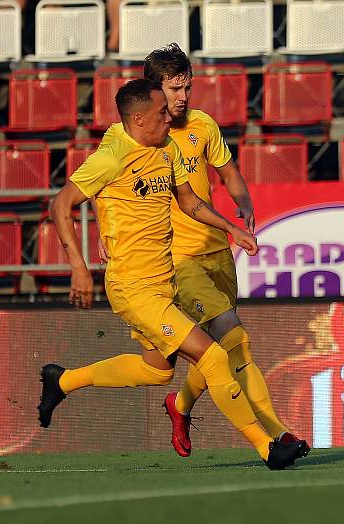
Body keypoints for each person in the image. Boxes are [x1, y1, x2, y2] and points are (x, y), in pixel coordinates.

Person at [38, 79, 305, 470]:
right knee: (214, 356)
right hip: (133, 288)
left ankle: (62, 381)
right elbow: (61, 204)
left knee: (156, 370)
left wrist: (230, 229)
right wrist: (78, 267)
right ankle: (268, 446)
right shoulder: (112, 158)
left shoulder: (166, 149)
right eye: (162, 112)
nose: (170, 116)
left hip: (164, 282)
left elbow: (190, 202)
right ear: (138, 118)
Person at [116, 43, 305, 459]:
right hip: (178, 260)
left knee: (222, 350)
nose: (182, 98)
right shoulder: (140, 139)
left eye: (187, 88)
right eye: (174, 90)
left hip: (217, 250)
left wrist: (245, 202)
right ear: (154, 90)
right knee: (234, 337)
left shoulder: (202, 125)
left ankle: (180, 404)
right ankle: (277, 434)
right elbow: (112, 188)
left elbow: (228, 171)